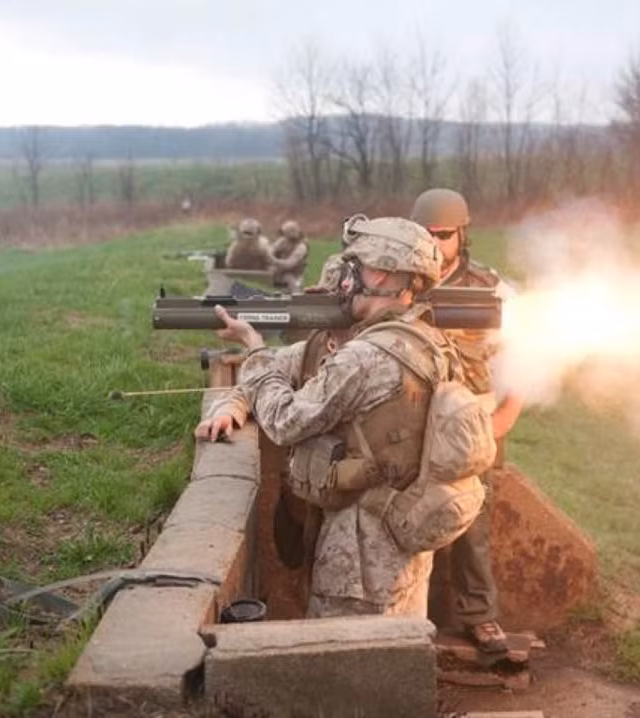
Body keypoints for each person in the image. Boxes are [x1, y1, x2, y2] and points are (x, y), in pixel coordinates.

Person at [195, 215, 466, 618]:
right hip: (404, 544)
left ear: (383, 274)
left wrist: (252, 346)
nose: (345, 282)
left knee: (341, 671)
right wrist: (235, 402)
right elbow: (287, 368)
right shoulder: (429, 341)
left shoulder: (367, 357)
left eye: (355, 270)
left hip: (357, 560)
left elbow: (285, 420)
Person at [411, 187, 524, 655]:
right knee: (408, 519)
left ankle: (480, 615)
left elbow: (524, 361)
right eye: (427, 235)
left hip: (473, 423)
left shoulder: (491, 290)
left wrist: (502, 422)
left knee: (473, 522)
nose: (436, 245)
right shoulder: (401, 282)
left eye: (444, 235)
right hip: (413, 421)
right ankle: (407, 620)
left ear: (462, 235)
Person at [270, 220, 309, 293]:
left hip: (294, 276)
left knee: (291, 283)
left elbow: (289, 264)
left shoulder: (301, 247)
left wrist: (273, 260)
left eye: (285, 233)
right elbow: (270, 251)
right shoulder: (282, 241)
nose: (284, 236)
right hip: (279, 273)